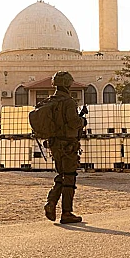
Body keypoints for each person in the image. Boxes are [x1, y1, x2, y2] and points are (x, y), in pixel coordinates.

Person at [43, 71, 87, 224]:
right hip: (67, 145)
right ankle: (66, 212)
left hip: (55, 144)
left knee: (62, 174)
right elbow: (74, 122)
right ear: (68, 84)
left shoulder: (50, 101)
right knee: (69, 177)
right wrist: (82, 121)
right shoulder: (68, 101)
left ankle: (51, 202)